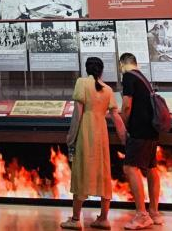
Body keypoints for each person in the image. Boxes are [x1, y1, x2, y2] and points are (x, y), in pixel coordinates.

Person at [63, 56, 119, 230]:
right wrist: (124, 135)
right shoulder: (108, 90)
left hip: (85, 132)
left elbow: (78, 114)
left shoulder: (82, 83)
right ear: (101, 71)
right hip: (101, 134)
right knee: (103, 172)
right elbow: (115, 115)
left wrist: (71, 136)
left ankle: (75, 219)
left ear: (87, 69)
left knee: (81, 172)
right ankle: (103, 218)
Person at [118, 52, 163, 229]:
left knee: (130, 167)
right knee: (151, 168)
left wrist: (124, 125)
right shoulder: (143, 78)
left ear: (122, 64)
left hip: (139, 130)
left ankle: (142, 215)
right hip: (152, 130)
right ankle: (154, 212)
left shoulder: (128, 77)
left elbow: (126, 106)